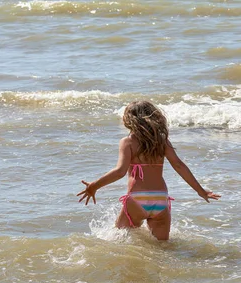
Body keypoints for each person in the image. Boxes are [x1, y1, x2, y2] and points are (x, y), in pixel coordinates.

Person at [77, 100, 221, 241]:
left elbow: (120, 171)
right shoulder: (162, 141)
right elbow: (179, 165)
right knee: (162, 248)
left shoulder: (127, 142)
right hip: (160, 199)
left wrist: (94, 186)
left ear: (129, 120)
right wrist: (200, 191)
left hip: (137, 199)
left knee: (118, 241)